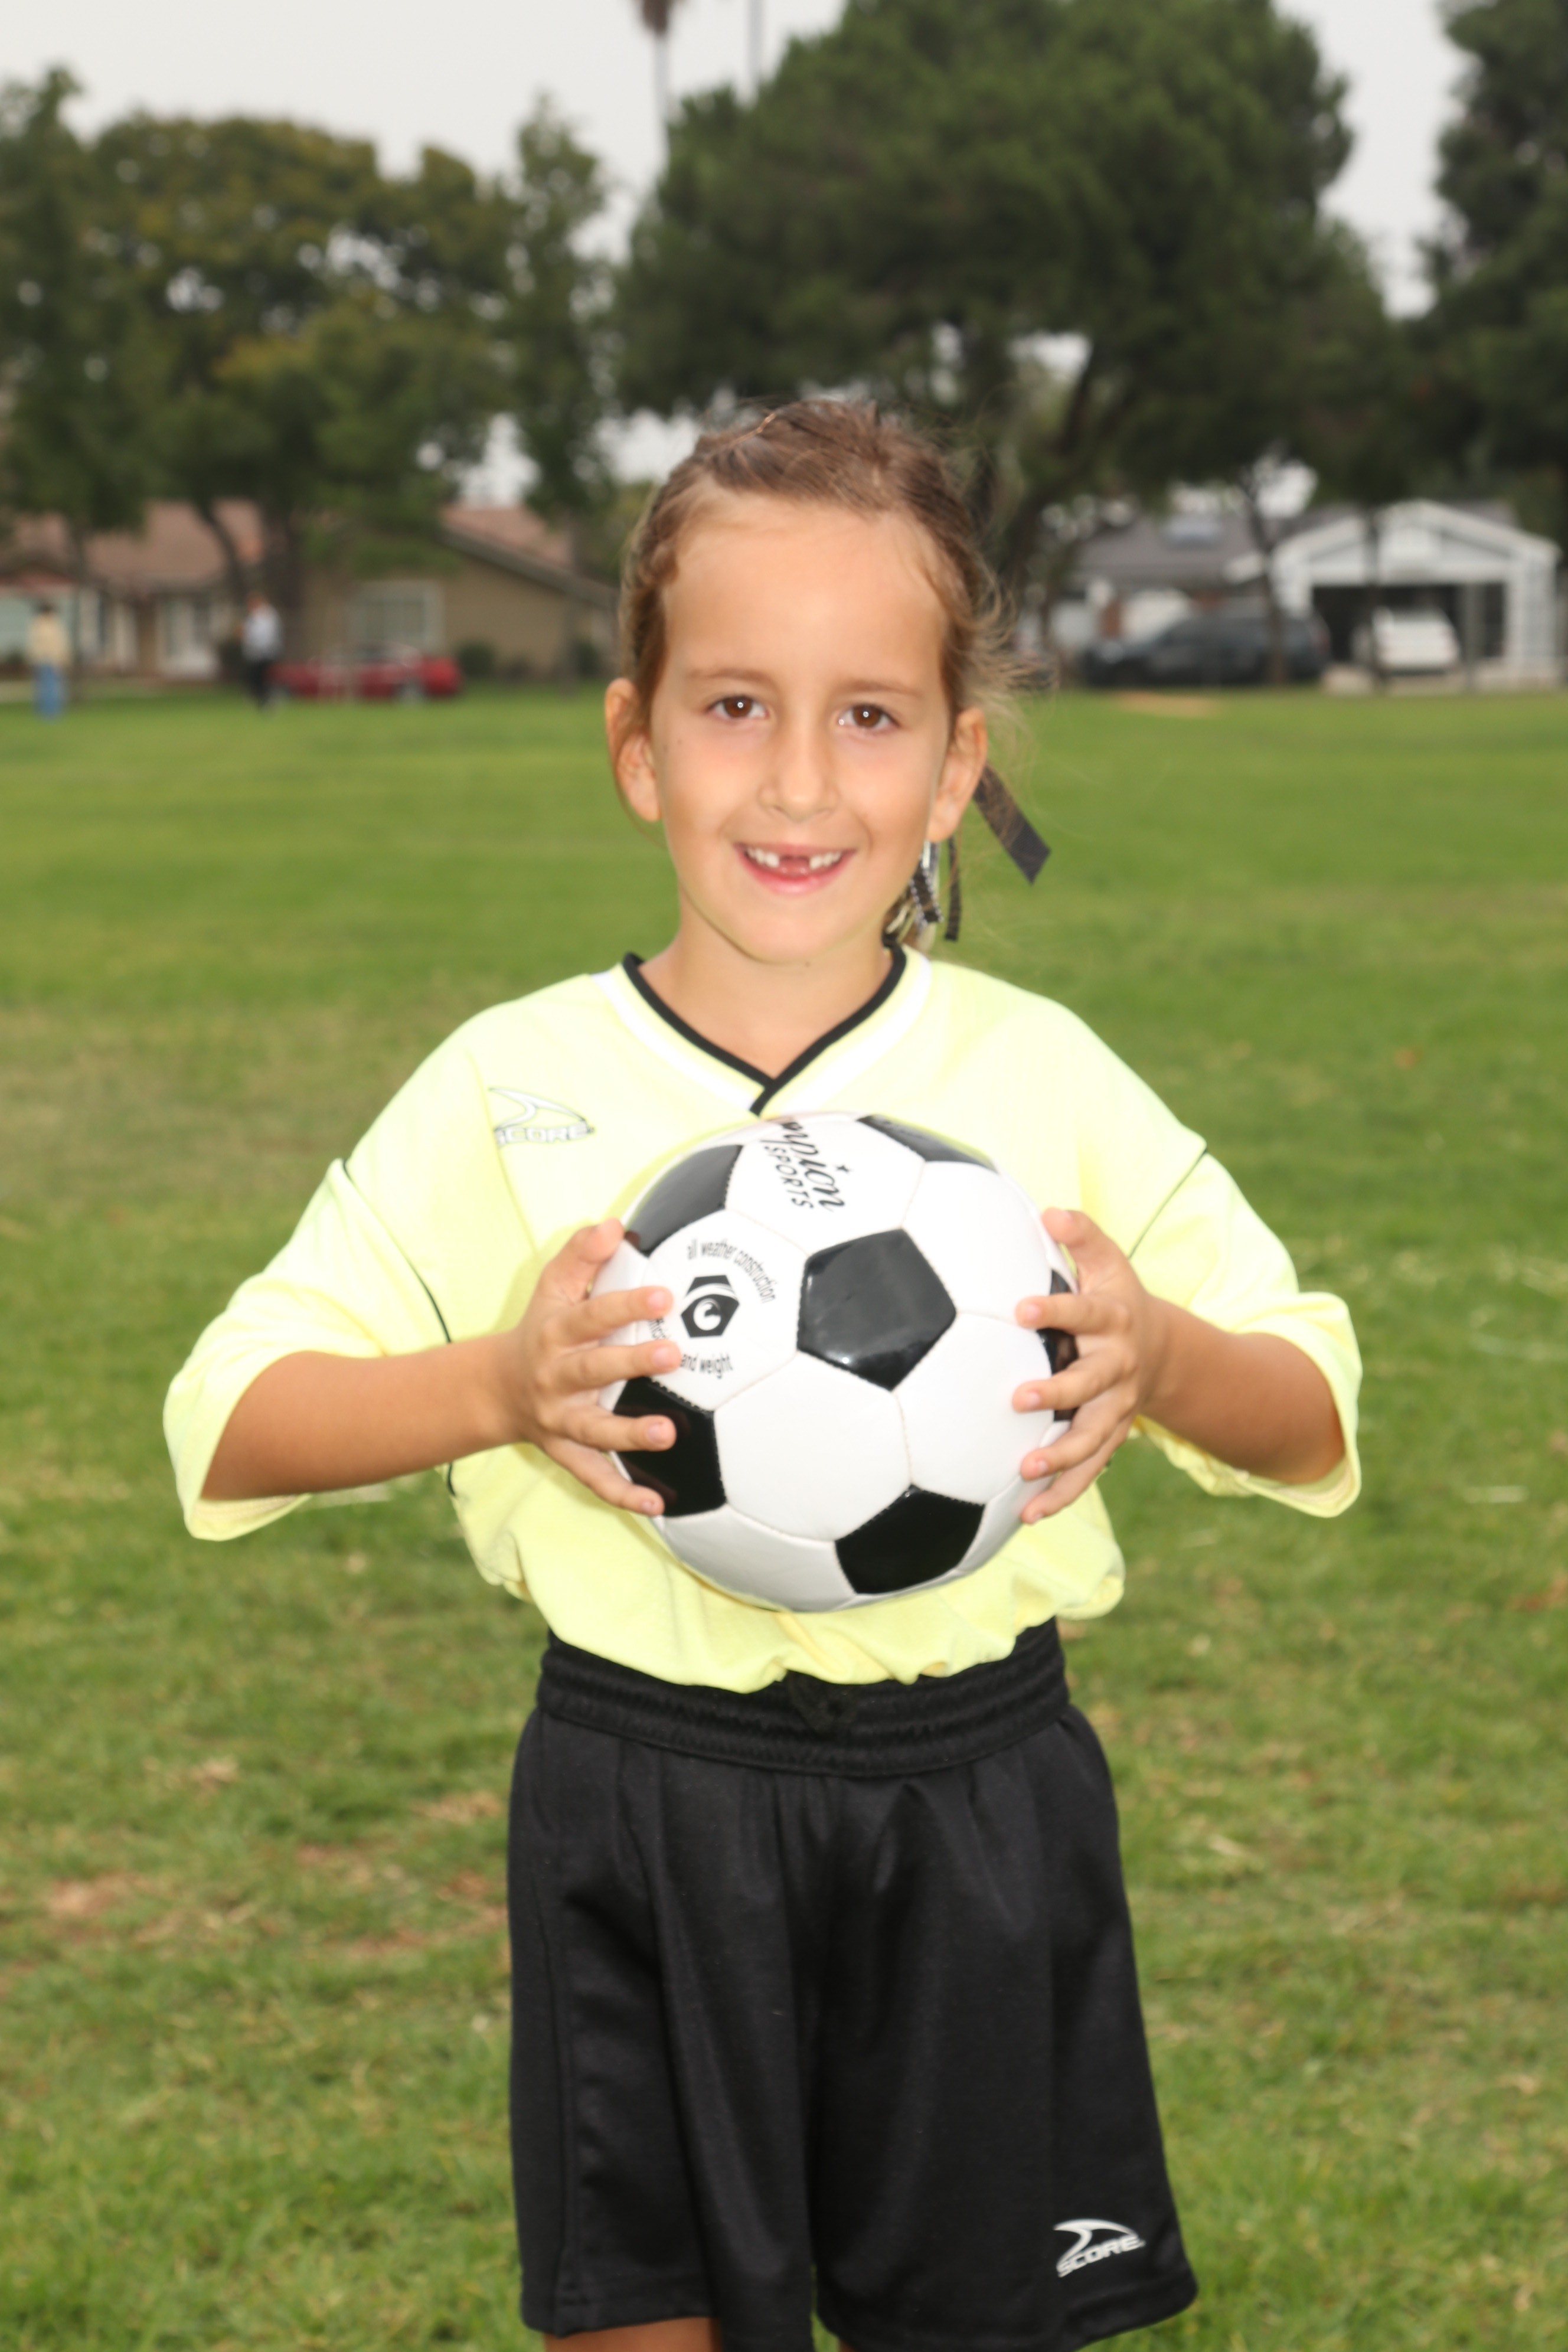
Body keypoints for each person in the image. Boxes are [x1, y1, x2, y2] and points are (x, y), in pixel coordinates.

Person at [165, 402, 1360, 2352]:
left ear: (957, 764)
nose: (798, 779)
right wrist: (501, 1389)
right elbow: (226, 1419)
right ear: (636, 741)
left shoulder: (1041, 1078)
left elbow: (1309, 1405)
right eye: (734, 705)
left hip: (975, 1802)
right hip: (642, 1799)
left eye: (869, 715)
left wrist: (1161, 1356)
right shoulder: (506, 1083)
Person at [26, 599, 70, 718]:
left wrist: (63, 658)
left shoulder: (56, 624)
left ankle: (54, 712)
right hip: (42, 660)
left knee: (56, 687)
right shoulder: (38, 624)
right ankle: (44, 712)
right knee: (43, 687)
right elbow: (35, 644)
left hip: (55, 661)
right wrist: (37, 658)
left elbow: (62, 643)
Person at [241, 589, 283, 707]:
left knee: (264, 678)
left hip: (265, 652)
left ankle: (267, 700)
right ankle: (261, 700)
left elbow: (265, 635)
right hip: (255, 653)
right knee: (255, 678)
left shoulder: (267, 615)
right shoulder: (253, 616)